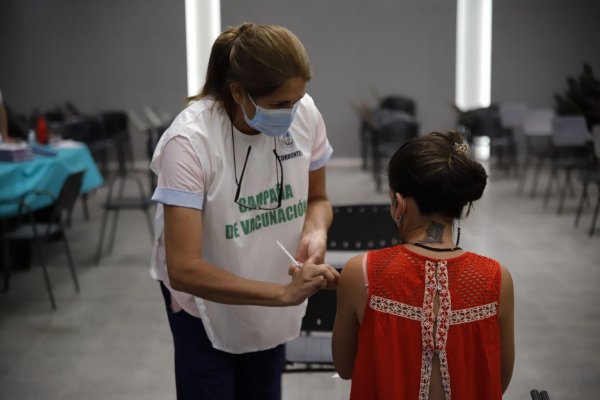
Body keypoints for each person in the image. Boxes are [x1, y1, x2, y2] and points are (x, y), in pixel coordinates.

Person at [149, 23, 339, 400]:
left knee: (263, 389)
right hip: (204, 309)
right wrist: (283, 294)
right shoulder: (190, 142)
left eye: (298, 100)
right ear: (239, 92)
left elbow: (317, 200)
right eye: (280, 105)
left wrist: (314, 234)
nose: (292, 113)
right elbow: (183, 268)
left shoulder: (306, 116)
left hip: (269, 293)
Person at [332, 131, 515, 399]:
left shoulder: (362, 272)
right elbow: (498, 380)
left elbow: (345, 367)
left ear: (399, 204)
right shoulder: (496, 278)